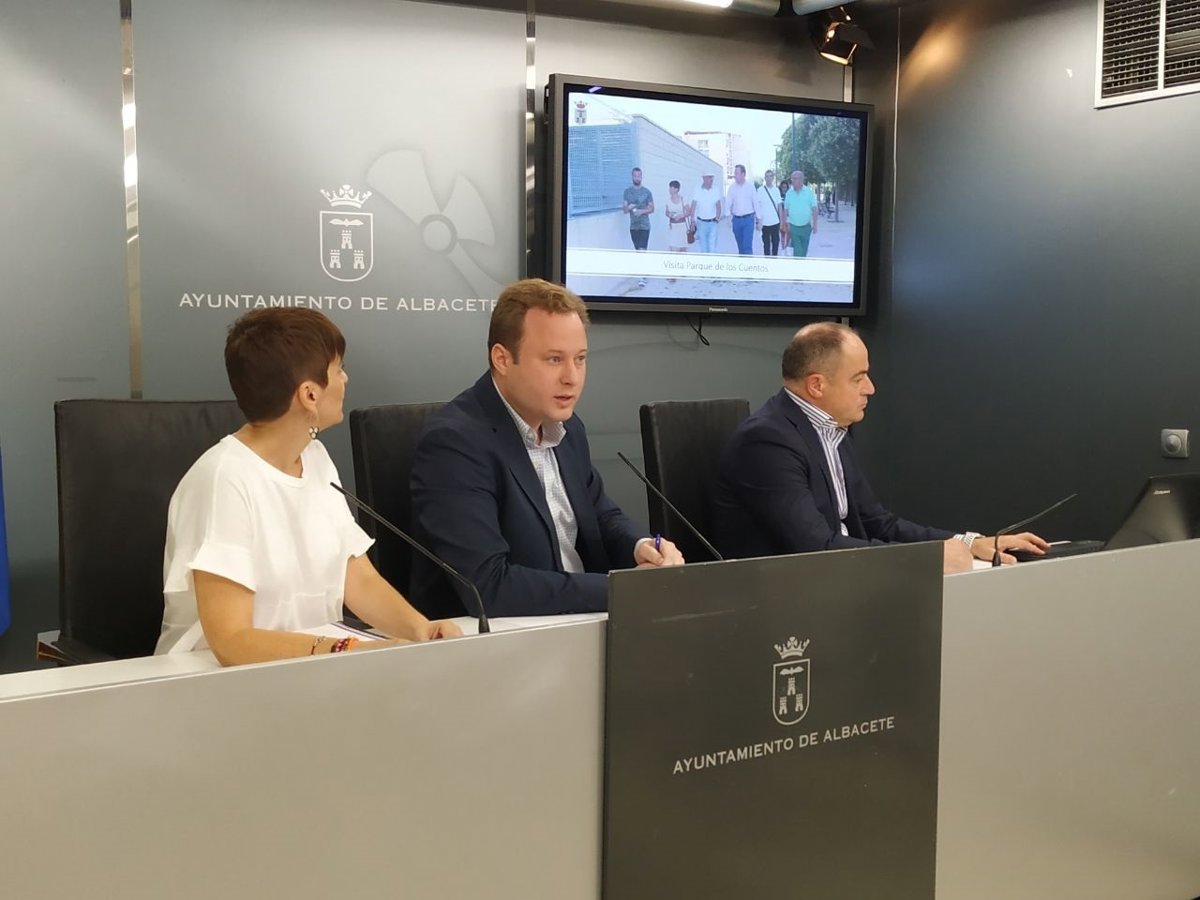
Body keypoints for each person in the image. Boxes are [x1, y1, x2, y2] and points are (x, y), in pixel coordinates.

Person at [156, 308, 462, 664]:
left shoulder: (314, 457)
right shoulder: (222, 479)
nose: (346, 379)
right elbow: (231, 640)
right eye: (338, 369)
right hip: (211, 680)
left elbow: (357, 578)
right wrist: (351, 651)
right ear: (309, 394)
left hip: (308, 670)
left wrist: (421, 630)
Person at [410, 278, 684, 618]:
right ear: (502, 359)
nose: (572, 377)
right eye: (554, 359)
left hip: (584, 619)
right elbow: (490, 587)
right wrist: (622, 590)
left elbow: (601, 515)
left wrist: (642, 547)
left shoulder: (569, 428)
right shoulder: (454, 444)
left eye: (580, 359)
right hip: (502, 636)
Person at [713, 323, 1049, 573]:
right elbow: (815, 548)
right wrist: (927, 559)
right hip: (784, 599)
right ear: (817, 385)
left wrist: (969, 542)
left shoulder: (831, 428)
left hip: (840, 580)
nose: (870, 389)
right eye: (858, 378)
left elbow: (879, 523)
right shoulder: (767, 441)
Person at [781, 169, 819, 258]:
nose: (793, 181)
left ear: (801, 180)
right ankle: (798, 265)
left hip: (806, 227)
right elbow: (785, 210)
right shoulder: (789, 193)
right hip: (793, 227)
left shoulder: (809, 192)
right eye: (792, 179)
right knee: (798, 251)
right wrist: (784, 224)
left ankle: (800, 264)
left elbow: (815, 209)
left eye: (795, 178)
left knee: (804, 250)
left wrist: (815, 225)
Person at [725, 164, 757, 255]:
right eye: (734, 173)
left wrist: (759, 218)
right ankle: (742, 261)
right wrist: (728, 216)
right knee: (740, 246)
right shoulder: (732, 188)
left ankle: (748, 262)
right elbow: (728, 202)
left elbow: (756, 203)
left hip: (748, 220)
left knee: (747, 246)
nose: (735, 175)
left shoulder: (750, 187)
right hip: (736, 221)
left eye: (737, 173)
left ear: (743, 174)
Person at [622, 167, 654, 252]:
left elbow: (652, 209)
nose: (637, 178)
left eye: (639, 176)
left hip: (644, 226)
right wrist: (628, 207)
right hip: (633, 227)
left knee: (642, 250)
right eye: (635, 176)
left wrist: (641, 211)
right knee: (638, 250)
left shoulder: (647, 192)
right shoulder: (627, 192)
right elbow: (625, 210)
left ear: (641, 177)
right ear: (632, 177)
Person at [692, 172, 723, 254]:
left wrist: (717, 218)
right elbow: (693, 205)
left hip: (713, 223)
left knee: (712, 248)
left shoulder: (716, 189)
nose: (711, 179)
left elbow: (718, 205)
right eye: (709, 177)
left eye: (712, 177)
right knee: (704, 248)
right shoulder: (697, 190)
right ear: (704, 178)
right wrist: (692, 220)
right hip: (701, 223)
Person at [755, 169, 783, 256]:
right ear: (765, 178)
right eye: (767, 176)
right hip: (764, 223)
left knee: (776, 243)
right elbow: (757, 206)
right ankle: (767, 261)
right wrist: (758, 221)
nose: (768, 178)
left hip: (775, 222)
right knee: (766, 245)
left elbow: (779, 206)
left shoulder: (776, 190)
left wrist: (781, 222)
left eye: (770, 176)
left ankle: (774, 260)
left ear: (773, 178)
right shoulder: (760, 190)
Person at [664, 180, 692, 255]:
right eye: (669, 188)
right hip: (673, 227)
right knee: (673, 249)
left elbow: (689, 212)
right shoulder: (668, 200)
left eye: (671, 188)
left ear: (676, 189)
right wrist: (670, 215)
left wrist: (681, 216)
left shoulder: (683, 199)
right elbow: (666, 212)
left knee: (683, 250)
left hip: (682, 227)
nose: (669, 190)